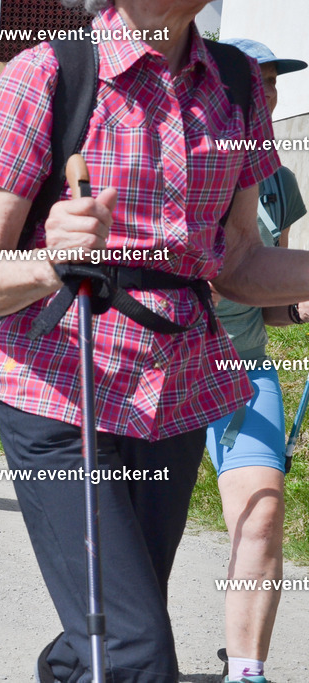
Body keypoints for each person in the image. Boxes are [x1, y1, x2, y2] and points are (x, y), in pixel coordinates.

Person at [0, 1, 309, 679]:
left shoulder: (235, 84)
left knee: (101, 636)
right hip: (58, 388)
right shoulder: (49, 73)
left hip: (173, 396)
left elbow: (235, 265)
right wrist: (51, 259)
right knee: (136, 650)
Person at [201, 38, 308, 683]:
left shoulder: (280, 183)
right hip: (156, 365)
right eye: (252, 82)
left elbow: (265, 292)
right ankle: (117, 645)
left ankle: (246, 670)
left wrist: (298, 309)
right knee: (130, 515)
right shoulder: (189, 158)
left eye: (272, 83)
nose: (265, 93)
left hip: (243, 367)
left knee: (263, 507)